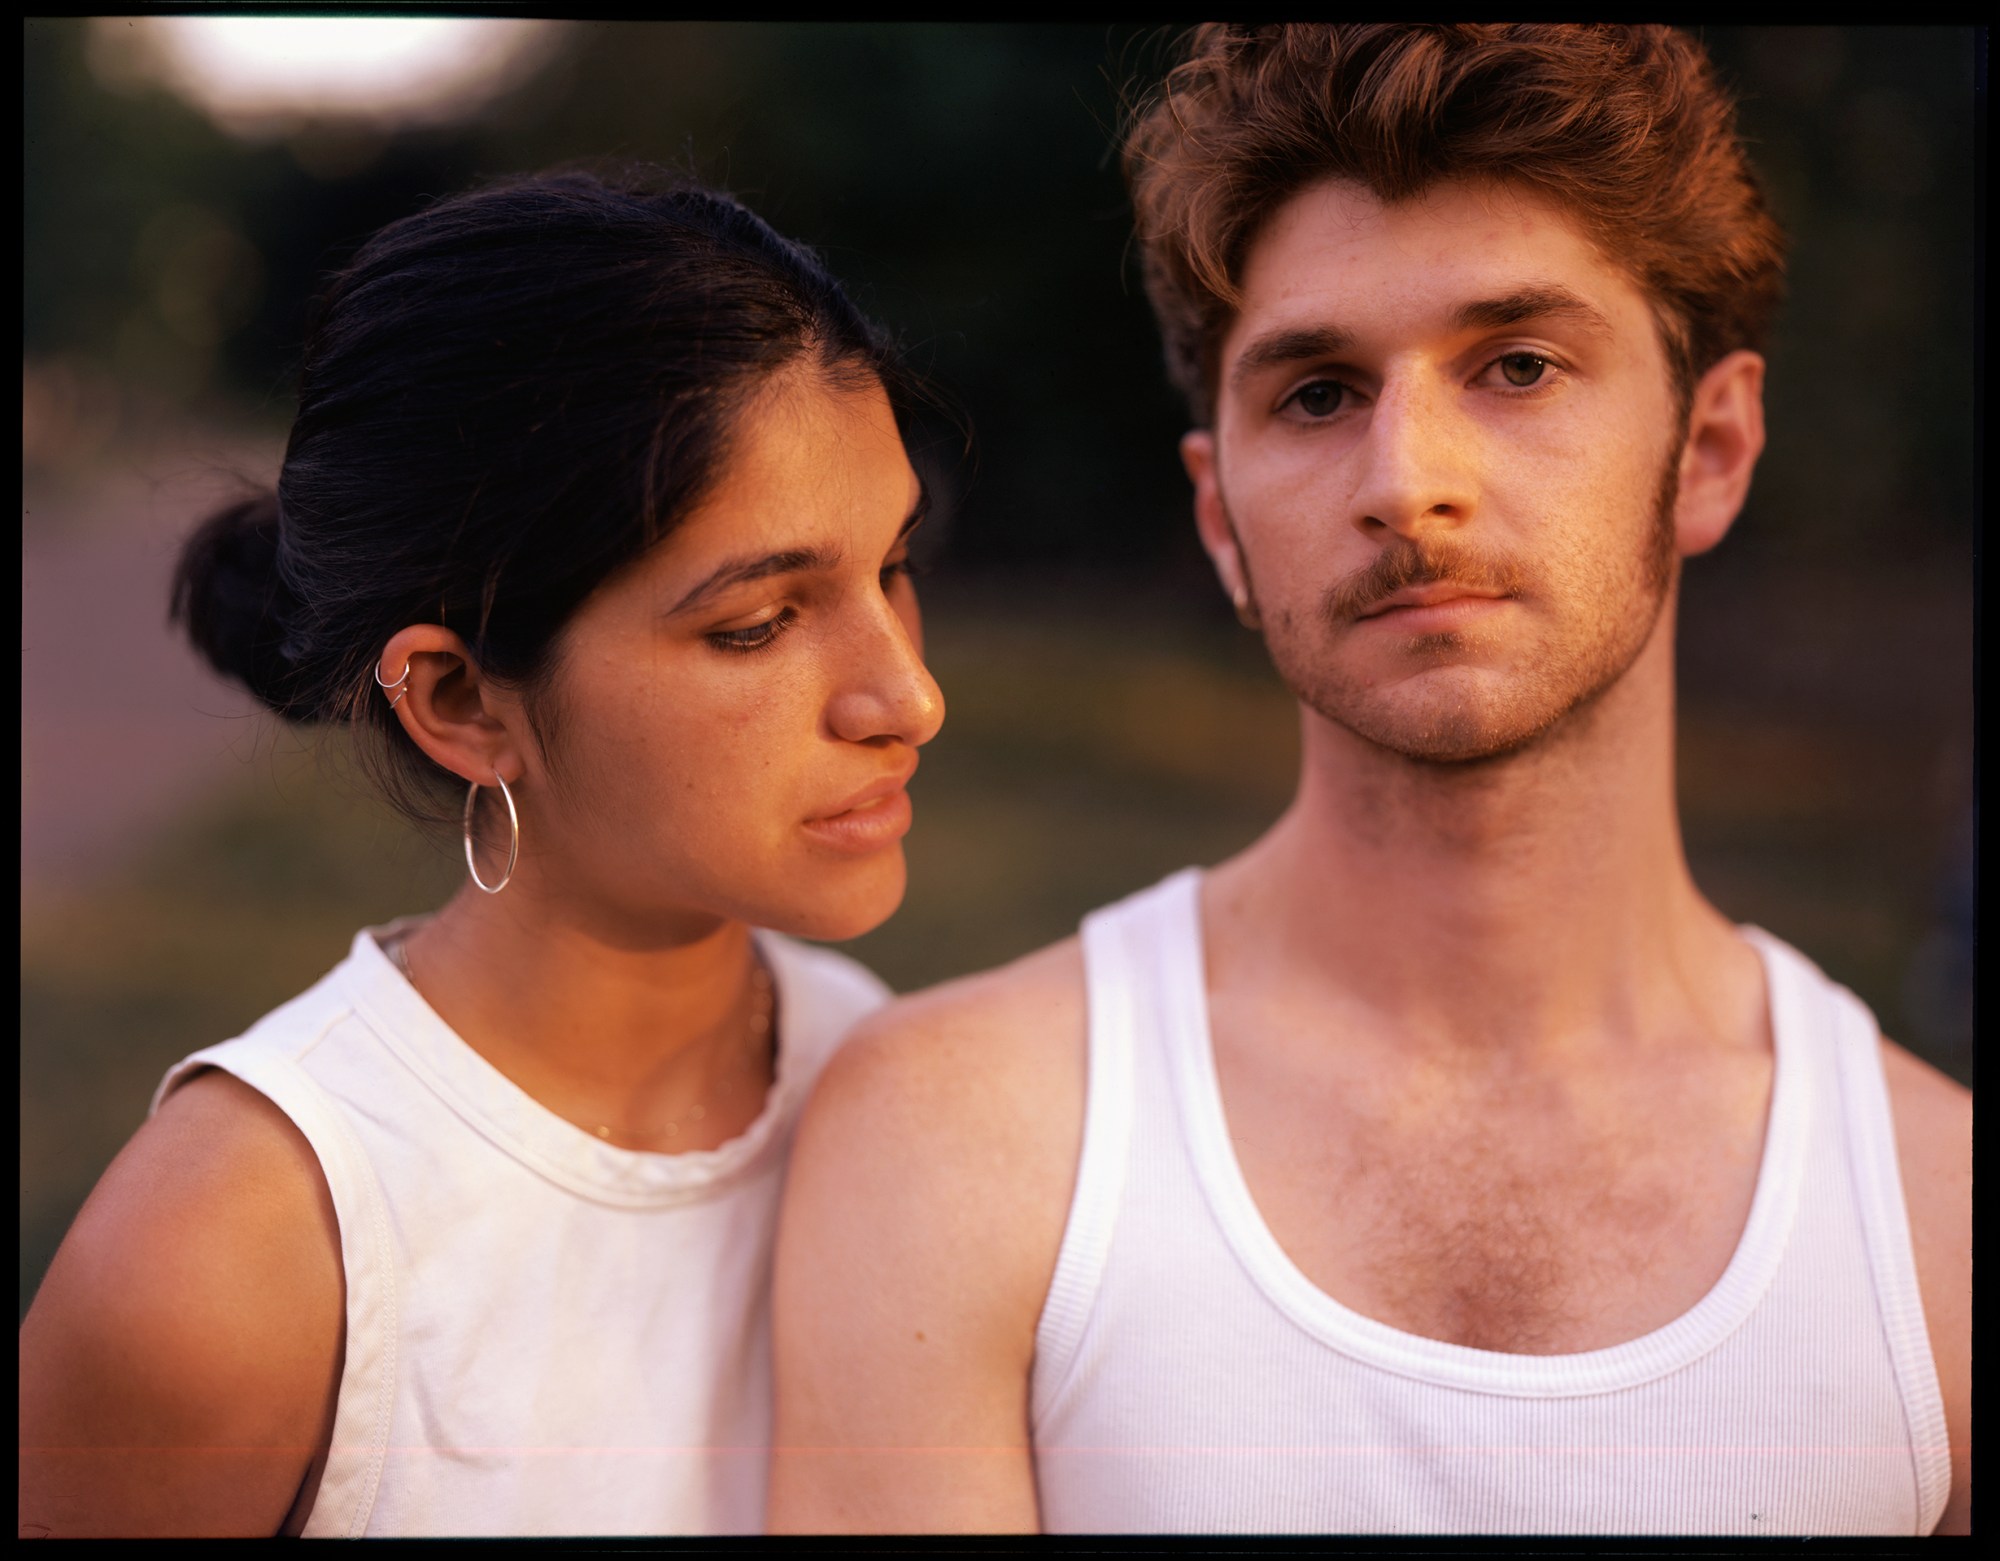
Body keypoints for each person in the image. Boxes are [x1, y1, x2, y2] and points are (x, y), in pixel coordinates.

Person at [768, 24, 1970, 1536]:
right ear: (1220, 516)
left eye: (1519, 365)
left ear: (1711, 447)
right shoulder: (965, 1138)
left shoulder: (1943, 1229)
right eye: (1320, 394)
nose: (1407, 480)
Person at [18, 169, 943, 1538]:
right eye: (759, 621)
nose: (907, 696)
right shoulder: (238, 1255)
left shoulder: (895, 1085)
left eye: (892, 570)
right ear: (458, 700)